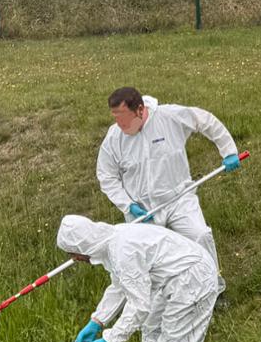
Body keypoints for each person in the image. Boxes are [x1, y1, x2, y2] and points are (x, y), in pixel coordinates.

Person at [58, 215, 221, 342]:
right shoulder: (112, 242)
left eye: (73, 254)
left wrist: (108, 340)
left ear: (83, 246)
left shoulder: (122, 249)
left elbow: (139, 306)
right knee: (151, 330)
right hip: (173, 279)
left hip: (192, 281)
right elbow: (120, 286)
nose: (75, 259)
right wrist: (96, 321)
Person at [96, 88, 240, 270]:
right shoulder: (114, 137)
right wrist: (127, 204)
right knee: (147, 259)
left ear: (140, 110)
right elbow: (106, 176)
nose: (121, 125)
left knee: (201, 236)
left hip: (179, 198)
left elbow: (205, 121)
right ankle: (164, 294)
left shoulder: (170, 116)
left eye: (125, 119)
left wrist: (229, 151)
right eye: (116, 118)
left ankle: (213, 287)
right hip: (142, 209)